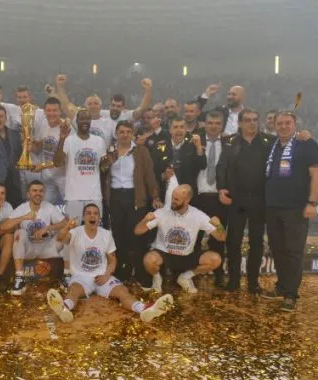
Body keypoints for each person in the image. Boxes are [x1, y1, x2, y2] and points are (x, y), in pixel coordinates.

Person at [46, 204, 174, 324]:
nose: (92, 216)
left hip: (102, 276)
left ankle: (143, 309)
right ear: (84, 218)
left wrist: (107, 275)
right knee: (74, 290)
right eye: (88, 213)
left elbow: (112, 260)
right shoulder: (75, 232)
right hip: (81, 276)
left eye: (95, 213)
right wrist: (67, 227)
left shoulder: (106, 234)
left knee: (123, 291)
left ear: (99, 218)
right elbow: (60, 238)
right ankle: (64, 308)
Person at [262, 111, 318, 312]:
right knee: (277, 249)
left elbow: (316, 174)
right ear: (274, 126)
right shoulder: (272, 144)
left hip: (296, 208)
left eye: (287, 123)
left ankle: (291, 294)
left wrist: (312, 202)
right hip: (272, 207)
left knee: (294, 251)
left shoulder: (307, 144)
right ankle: (281, 286)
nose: (283, 126)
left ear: (295, 124)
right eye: (280, 123)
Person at [216, 109, 273, 294]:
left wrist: (304, 135)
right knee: (233, 241)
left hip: (259, 199)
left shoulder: (269, 141)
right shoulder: (229, 141)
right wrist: (221, 188)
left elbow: (290, 143)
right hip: (236, 199)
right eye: (247, 120)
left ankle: (253, 282)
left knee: (257, 242)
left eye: (255, 120)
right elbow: (221, 166)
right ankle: (233, 280)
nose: (252, 123)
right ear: (240, 123)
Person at [134, 185, 227, 294]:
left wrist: (219, 225)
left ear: (187, 200)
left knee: (215, 259)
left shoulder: (198, 215)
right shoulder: (162, 212)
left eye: (176, 199)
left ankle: (185, 277)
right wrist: (145, 220)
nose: (172, 201)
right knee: (149, 259)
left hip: (186, 256)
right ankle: (157, 279)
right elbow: (137, 231)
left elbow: (221, 237)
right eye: (172, 198)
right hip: (164, 254)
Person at [101, 120, 161, 285]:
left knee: (137, 236)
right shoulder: (109, 151)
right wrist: (107, 162)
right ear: (116, 134)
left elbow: (149, 175)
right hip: (115, 197)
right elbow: (102, 172)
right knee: (119, 236)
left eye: (128, 132)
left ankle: (141, 272)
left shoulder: (141, 151)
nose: (125, 135)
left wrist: (155, 196)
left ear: (133, 134)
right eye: (122, 132)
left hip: (135, 196)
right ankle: (122, 271)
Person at [0, 180, 68, 296]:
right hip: (29, 249)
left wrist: (48, 228)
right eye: (34, 191)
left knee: (67, 234)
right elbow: (3, 226)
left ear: (44, 193)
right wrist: (23, 217)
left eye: (41, 191)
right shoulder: (22, 208)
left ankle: (67, 276)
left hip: (46, 247)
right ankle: (20, 278)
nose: (38, 193)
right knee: (19, 233)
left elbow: (65, 222)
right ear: (28, 194)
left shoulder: (48, 206)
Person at [191, 111, 228, 287]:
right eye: (210, 123)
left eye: (217, 123)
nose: (214, 126)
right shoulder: (194, 142)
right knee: (194, 238)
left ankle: (219, 274)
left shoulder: (229, 144)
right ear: (204, 124)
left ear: (222, 125)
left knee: (218, 238)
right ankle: (190, 272)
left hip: (219, 198)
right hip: (197, 198)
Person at [54, 109, 106, 221]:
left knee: (94, 228)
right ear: (76, 121)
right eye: (82, 118)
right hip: (74, 195)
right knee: (72, 229)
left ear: (90, 121)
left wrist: (109, 162)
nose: (85, 121)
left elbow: (103, 168)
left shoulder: (99, 141)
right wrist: (62, 138)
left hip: (94, 195)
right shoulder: (68, 140)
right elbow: (57, 163)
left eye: (87, 119)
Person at [150, 116, 206, 208]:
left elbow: (202, 165)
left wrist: (199, 147)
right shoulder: (159, 147)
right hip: (165, 197)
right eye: (175, 127)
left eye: (182, 127)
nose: (179, 130)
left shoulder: (193, 146)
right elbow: (152, 172)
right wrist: (163, 176)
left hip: (188, 198)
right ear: (170, 130)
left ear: (186, 129)